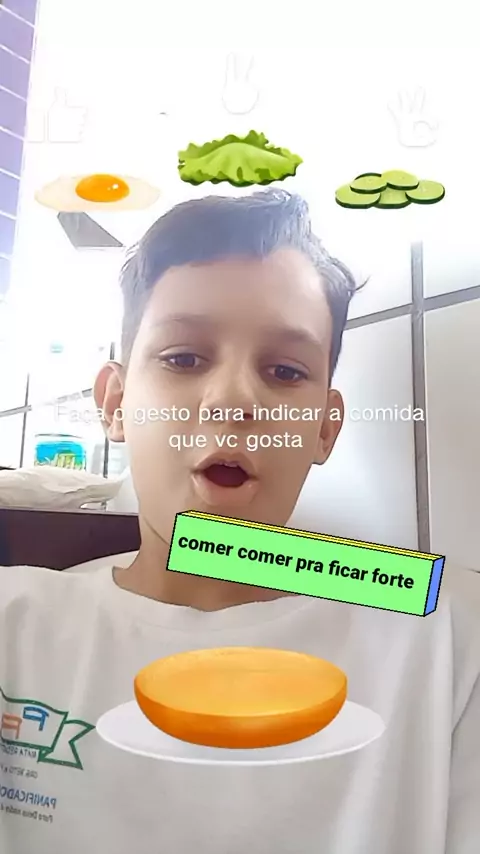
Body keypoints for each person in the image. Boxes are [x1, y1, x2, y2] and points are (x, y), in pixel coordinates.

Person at [1, 189, 479, 854]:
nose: (233, 400)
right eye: (183, 359)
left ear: (324, 428)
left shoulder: (448, 630)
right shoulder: (16, 623)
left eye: (284, 370)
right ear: (115, 403)